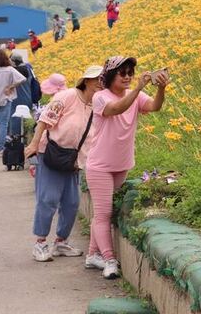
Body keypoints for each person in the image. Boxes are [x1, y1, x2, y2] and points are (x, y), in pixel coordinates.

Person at [85, 56, 169, 279]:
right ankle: (110, 260)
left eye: (131, 72)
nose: (128, 77)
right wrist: (139, 87)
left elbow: (154, 106)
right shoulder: (100, 97)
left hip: (121, 164)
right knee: (104, 213)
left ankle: (93, 254)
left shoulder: (137, 95)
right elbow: (117, 108)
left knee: (102, 213)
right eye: (123, 73)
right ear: (111, 75)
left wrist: (161, 88)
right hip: (100, 165)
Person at [24, 65, 103, 262]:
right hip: (51, 153)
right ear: (86, 81)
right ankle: (40, 243)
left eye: (104, 80)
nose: (100, 84)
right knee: (48, 199)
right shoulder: (66, 96)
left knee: (71, 203)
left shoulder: (99, 105)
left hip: (73, 161)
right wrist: (34, 143)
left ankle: (60, 242)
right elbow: (45, 119)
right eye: (97, 80)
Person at [9, 53, 36, 136]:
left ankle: (15, 137)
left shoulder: (14, 71)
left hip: (16, 98)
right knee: (27, 117)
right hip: (28, 96)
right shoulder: (29, 69)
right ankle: (26, 136)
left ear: (14, 61)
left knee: (15, 117)